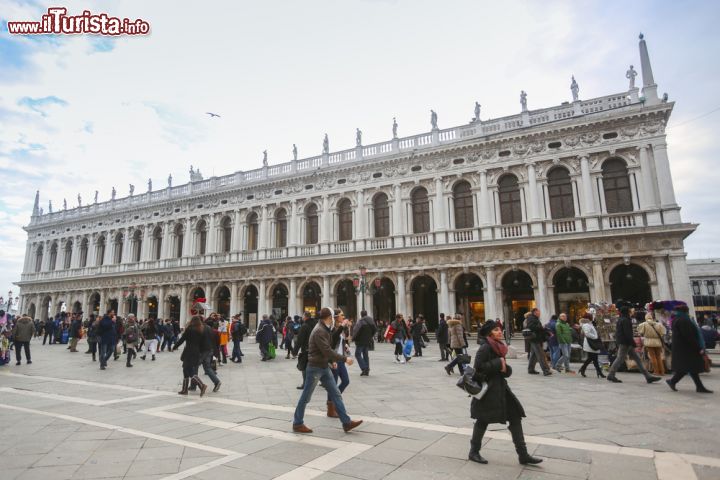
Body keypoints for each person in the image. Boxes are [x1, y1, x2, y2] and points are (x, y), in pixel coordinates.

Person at [469, 320, 543, 465]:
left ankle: (523, 454)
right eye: (496, 330)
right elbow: (477, 369)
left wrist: (505, 369)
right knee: (482, 420)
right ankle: (473, 452)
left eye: (500, 330)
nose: (499, 332)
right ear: (490, 332)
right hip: (489, 391)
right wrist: (498, 364)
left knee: (515, 417)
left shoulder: (498, 347)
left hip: (502, 389)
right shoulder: (485, 347)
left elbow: (503, 369)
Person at [292, 307, 362, 434]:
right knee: (306, 397)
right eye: (333, 317)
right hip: (315, 368)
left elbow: (326, 349)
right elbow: (327, 350)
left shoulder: (325, 328)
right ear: (329, 318)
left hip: (324, 366)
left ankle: (346, 422)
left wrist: (331, 361)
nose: (335, 320)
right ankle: (297, 423)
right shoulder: (319, 331)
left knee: (336, 394)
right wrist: (344, 359)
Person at [607, 307, 661, 384]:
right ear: (627, 312)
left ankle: (648, 376)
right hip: (626, 343)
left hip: (624, 342)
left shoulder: (621, 319)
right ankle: (611, 374)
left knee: (637, 359)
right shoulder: (625, 320)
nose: (631, 313)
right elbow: (627, 333)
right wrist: (632, 342)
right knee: (620, 358)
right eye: (630, 311)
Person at [666, 306, 712, 393]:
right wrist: (698, 347)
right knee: (688, 367)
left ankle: (699, 386)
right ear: (686, 311)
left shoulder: (677, 319)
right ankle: (673, 381)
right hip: (687, 349)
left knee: (690, 367)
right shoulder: (684, 320)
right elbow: (689, 336)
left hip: (683, 348)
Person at [173, 315, 208, 396]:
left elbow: (182, 339)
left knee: (188, 370)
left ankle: (202, 385)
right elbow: (202, 343)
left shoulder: (190, 329)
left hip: (189, 351)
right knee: (186, 369)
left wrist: (175, 346)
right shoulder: (201, 330)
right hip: (196, 352)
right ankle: (185, 390)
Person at [327, 309, 351, 418]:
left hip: (341, 358)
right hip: (334, 359)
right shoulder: (332, 328)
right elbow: (332, 341)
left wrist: (345, 345)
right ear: (336, 317)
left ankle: (336, 400)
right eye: (342, 315)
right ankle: (331, 409)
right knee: (333, 384)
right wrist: (332, 360)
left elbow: (340, 340)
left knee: (345, 381)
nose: (343, 316)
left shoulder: (340, 328)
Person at [294, 312, 317, 389]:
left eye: (303, 316)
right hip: (315, 349)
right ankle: (323, 382)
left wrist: (295, 351)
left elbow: (300, 340)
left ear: (305, 317)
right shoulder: (316, 324)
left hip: (306, 349)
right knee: (316, 366)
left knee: (304, 367)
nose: (302, 318)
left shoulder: (304, 326)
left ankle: (305, 384)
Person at [526, 308, 551, 376]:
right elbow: (531, 327)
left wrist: (543, 328)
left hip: (537, 338)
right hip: (535, 339)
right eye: (538, 312)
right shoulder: (531, 318)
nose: (539, 313)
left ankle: (531, 369)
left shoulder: (535, 318)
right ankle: (546, 370)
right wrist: (541, 327)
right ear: (534, 312)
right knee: (541, 355)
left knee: (534, 355)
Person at [352, 309, 376, 376]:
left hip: (360, 341)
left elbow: (356, 331)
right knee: (365, 355)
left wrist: (353, 338)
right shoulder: (371, 321)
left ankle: (364, 368)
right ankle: (367, 370)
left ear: (361, 314)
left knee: (357, 354)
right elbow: (375, 329)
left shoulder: (361, 321)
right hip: (367, 341)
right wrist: (370, 336)